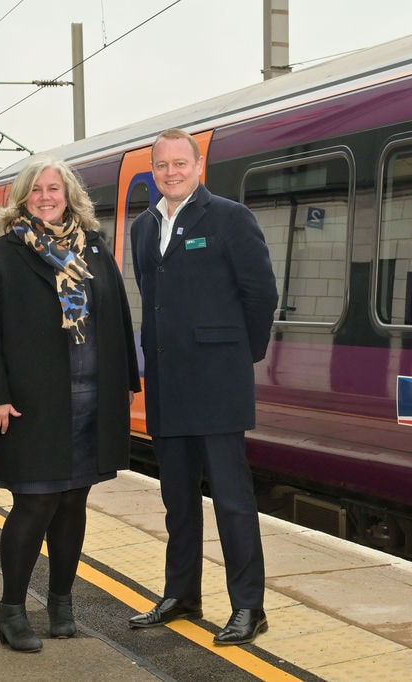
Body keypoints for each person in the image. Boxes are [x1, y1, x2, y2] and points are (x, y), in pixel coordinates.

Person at [0, 158, 141, 653]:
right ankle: (12, 611)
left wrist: (126, 381)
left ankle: (61, 605)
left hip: (89, 402)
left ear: (69, 196)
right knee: (35, 503)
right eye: (37, 189)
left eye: (55, 189)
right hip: (31, 404)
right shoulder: (4, 254)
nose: (46, 196)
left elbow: (118, 317)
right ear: (22, 197)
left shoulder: (94, 248)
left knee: (73, 504)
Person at [128, 128, 278, 645]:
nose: (171, 172)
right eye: (162, 165)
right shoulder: (143, 228)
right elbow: (153, 299)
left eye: (180, 164)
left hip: (217, 384)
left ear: (197, 167)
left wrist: (239, 356)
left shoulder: (231, 219)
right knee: (178, 501)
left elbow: (261, 295)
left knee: (233, 502)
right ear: (154, 171)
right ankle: (181, 594)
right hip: (167, 385)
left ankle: (248, 607)